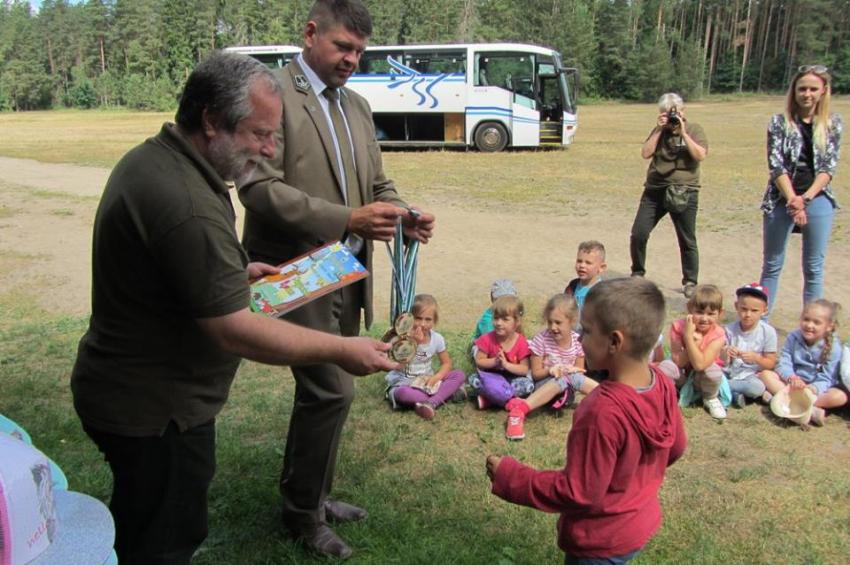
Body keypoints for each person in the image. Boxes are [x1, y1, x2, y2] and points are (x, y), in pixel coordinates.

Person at [70, 52, 397, 565]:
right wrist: (342, 350)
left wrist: (232, 272)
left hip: (136, 397)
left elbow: (169, 268)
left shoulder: (160, 161)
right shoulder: (186, 201)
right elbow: (235, 330)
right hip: (156, 413)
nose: (269, 150)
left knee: (146, 522)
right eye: (259, 134)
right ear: (210, 121)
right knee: (163, 542)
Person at [236, 0, 435, 558]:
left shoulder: (358, 106)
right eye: (343, 47)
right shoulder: (270, 94)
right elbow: (257, 188)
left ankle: (315, 497)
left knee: (328, 395)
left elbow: (378, 184)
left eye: (360, 52)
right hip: (295, 273)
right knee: (332, 388)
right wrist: (347, 219)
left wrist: (404, 214)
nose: (351, 60)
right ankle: (303, 514)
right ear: (310, 33)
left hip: (348, 272)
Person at [486, 278, 687, 564]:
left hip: (599, 542)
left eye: (587, 331)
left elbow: (578, 491)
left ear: (614, 342)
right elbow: (675, 448)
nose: (579, 339)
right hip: (639, 524)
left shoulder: (601, 411)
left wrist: (511, 477)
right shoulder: (664, 385)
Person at [759, 66, 843, 314]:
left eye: (813, 89)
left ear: (823, 91)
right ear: (794, 91)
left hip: (817, 197)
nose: (807, 94)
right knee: (772, 264)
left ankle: (813, 325)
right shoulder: (779, 122)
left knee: (814, 267)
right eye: (802, 88)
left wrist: (805, 199)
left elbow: (828, 168)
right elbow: (776, 165)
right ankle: (761, 324)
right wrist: (792, 199)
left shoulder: (833, 124)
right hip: (781, 197)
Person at [630, 93, 708, 298]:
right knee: (639, 233)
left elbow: (700, 155)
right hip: (655, 189)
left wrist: (683, 133)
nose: (672, 117)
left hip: (684, 191)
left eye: (675, 112)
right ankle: (637, 272)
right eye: (666, 113)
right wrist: (658, 129)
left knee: (687, 238)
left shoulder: (694, 129)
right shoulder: (660, 131)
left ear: (683, 111)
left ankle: (690, 281)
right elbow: (645, 153)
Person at [503, 294, 597, 441]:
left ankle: (614, 399)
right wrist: (551, 370)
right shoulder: (541, 340)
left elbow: (579, 373)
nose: (553, 327)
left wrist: (570, 371)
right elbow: (536, 374)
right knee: (562, 379)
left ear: (572, 321)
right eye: (550, 322)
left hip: (567, 390)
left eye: (558, 322)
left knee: (570, 378)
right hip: (543, 385)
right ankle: (519, 411)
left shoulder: (578, 342)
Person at [760, 299, 846, 426]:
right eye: (806, 319)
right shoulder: (793, 337)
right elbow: (783, 362)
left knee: (839, 396)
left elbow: (828, 377)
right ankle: (811, 411)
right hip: (792, 385)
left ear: (829, 326)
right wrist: (791, 377)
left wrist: (813, 388)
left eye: (816, 322)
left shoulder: (834, 347)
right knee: (766, 374)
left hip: (814, 391)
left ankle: (782, 401)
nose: (809, 325)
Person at [384, 294, 465, 420]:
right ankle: (443, 396)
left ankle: (430, 402)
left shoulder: (437, 339)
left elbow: (446, 363)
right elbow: (399, 366)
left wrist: (437, 377)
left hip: (427, 382)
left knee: (459, 374)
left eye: (428, 319)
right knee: (403, 394)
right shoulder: (402, 337)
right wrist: (414, 343)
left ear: (434, 321)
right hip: (404, 383)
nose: (422, 324)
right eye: (418, 318)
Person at [659, 284, 728, 420]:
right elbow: (679, 361)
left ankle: (710, 398)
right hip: (682, 374)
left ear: (720, 313)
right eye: (699, 312)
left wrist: (689, 340)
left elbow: (700, 365)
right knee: (666, 367)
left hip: (702, 380)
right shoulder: (678, 327)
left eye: (711, 314)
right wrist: (687, 335)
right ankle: (669, 396)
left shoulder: (718, 334)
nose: (704, 318)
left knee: (713, 371)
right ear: (690, 308)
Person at [472, 295, 533, 409]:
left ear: (517, 322)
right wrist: (494, 361)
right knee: (474, 379)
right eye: (496, 318)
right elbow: (479, 361)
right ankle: (508, 399)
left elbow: (524, 369)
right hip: (492, 377)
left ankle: (490, 399)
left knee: (527, 385)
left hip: (511, 379)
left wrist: (506, 365)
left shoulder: (521, 342)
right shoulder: (487, 338)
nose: (499, 323)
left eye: (505, 319)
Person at [723, 283, 777, 408]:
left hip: (751, 375)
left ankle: (722, 388)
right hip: (730, 371)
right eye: (744, 309)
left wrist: (756, 358)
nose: (748, 314)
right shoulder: (729, 329)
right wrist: (727, 352)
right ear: (736, 306)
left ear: (764, 311)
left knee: (757, 387)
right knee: (713, 373)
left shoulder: (768, 332)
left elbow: (771, 363)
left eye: (754, 311)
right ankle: (734, 394)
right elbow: (722, 359)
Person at [563, 240, 607, 312]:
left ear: (601, 268)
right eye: (579, 261)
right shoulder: (572, 286)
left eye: (588, 263)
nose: (582, 265)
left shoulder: (602, 293)